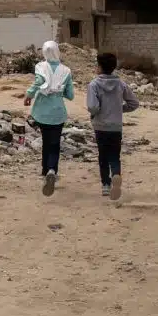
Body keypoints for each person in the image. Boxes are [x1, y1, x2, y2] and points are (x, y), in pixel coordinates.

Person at [24, 41, 74, 197]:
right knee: (55, 143)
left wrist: (29, 95)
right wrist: (59, 92)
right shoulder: (66, 71)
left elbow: (39, 82)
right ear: (57, 52)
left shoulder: (41, 67)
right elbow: (70, 95)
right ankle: (52, 170)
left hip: (42, 111)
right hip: (58, 111)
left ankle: (45, 171)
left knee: (46, 141)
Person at [86, 52, 139, 201]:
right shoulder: (121, 84)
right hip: (116, 127)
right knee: (115, 156)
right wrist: (119, 108)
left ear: (100, 67)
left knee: (103, 156)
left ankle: (106, 185)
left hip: (100, 126)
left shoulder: (94, 85)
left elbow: (92, 107)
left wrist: (97, 111)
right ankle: (116, 174)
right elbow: (134, 103)